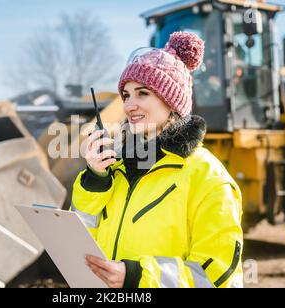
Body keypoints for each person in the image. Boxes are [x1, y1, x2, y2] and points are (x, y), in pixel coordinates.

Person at [72, 32, 243, 288]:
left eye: (143, 93)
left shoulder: (209, 178)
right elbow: (83, 243)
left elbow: (217, 277)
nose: (129, 106)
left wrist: (138, 278)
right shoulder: (114, 169)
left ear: (172, 102)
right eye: (126, 95)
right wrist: (94, 183)